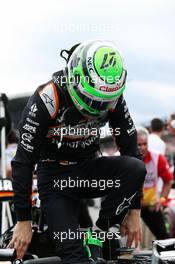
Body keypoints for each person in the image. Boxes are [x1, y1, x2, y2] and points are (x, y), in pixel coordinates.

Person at [9, 40, 146, 263]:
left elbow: (130, 149)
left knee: (135, 168)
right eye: (92, 99)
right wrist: (22, 220)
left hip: (89, 167)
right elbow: (23, 161)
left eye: (104, 102)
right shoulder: (47, 98)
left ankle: (100, 234)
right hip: (55, 176)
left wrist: (135, 209)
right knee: (74, 255)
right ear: (75, 79)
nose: (98, 108)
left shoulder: (113, 96)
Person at [137, 127, 173, 239]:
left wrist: (161, 200)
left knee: (164, 239)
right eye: (139, 144)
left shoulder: (157, 157)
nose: (142, 147)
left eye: (145, 144)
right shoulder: (123, 157)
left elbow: (168, 181)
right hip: (130, 207)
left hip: (150, 206)